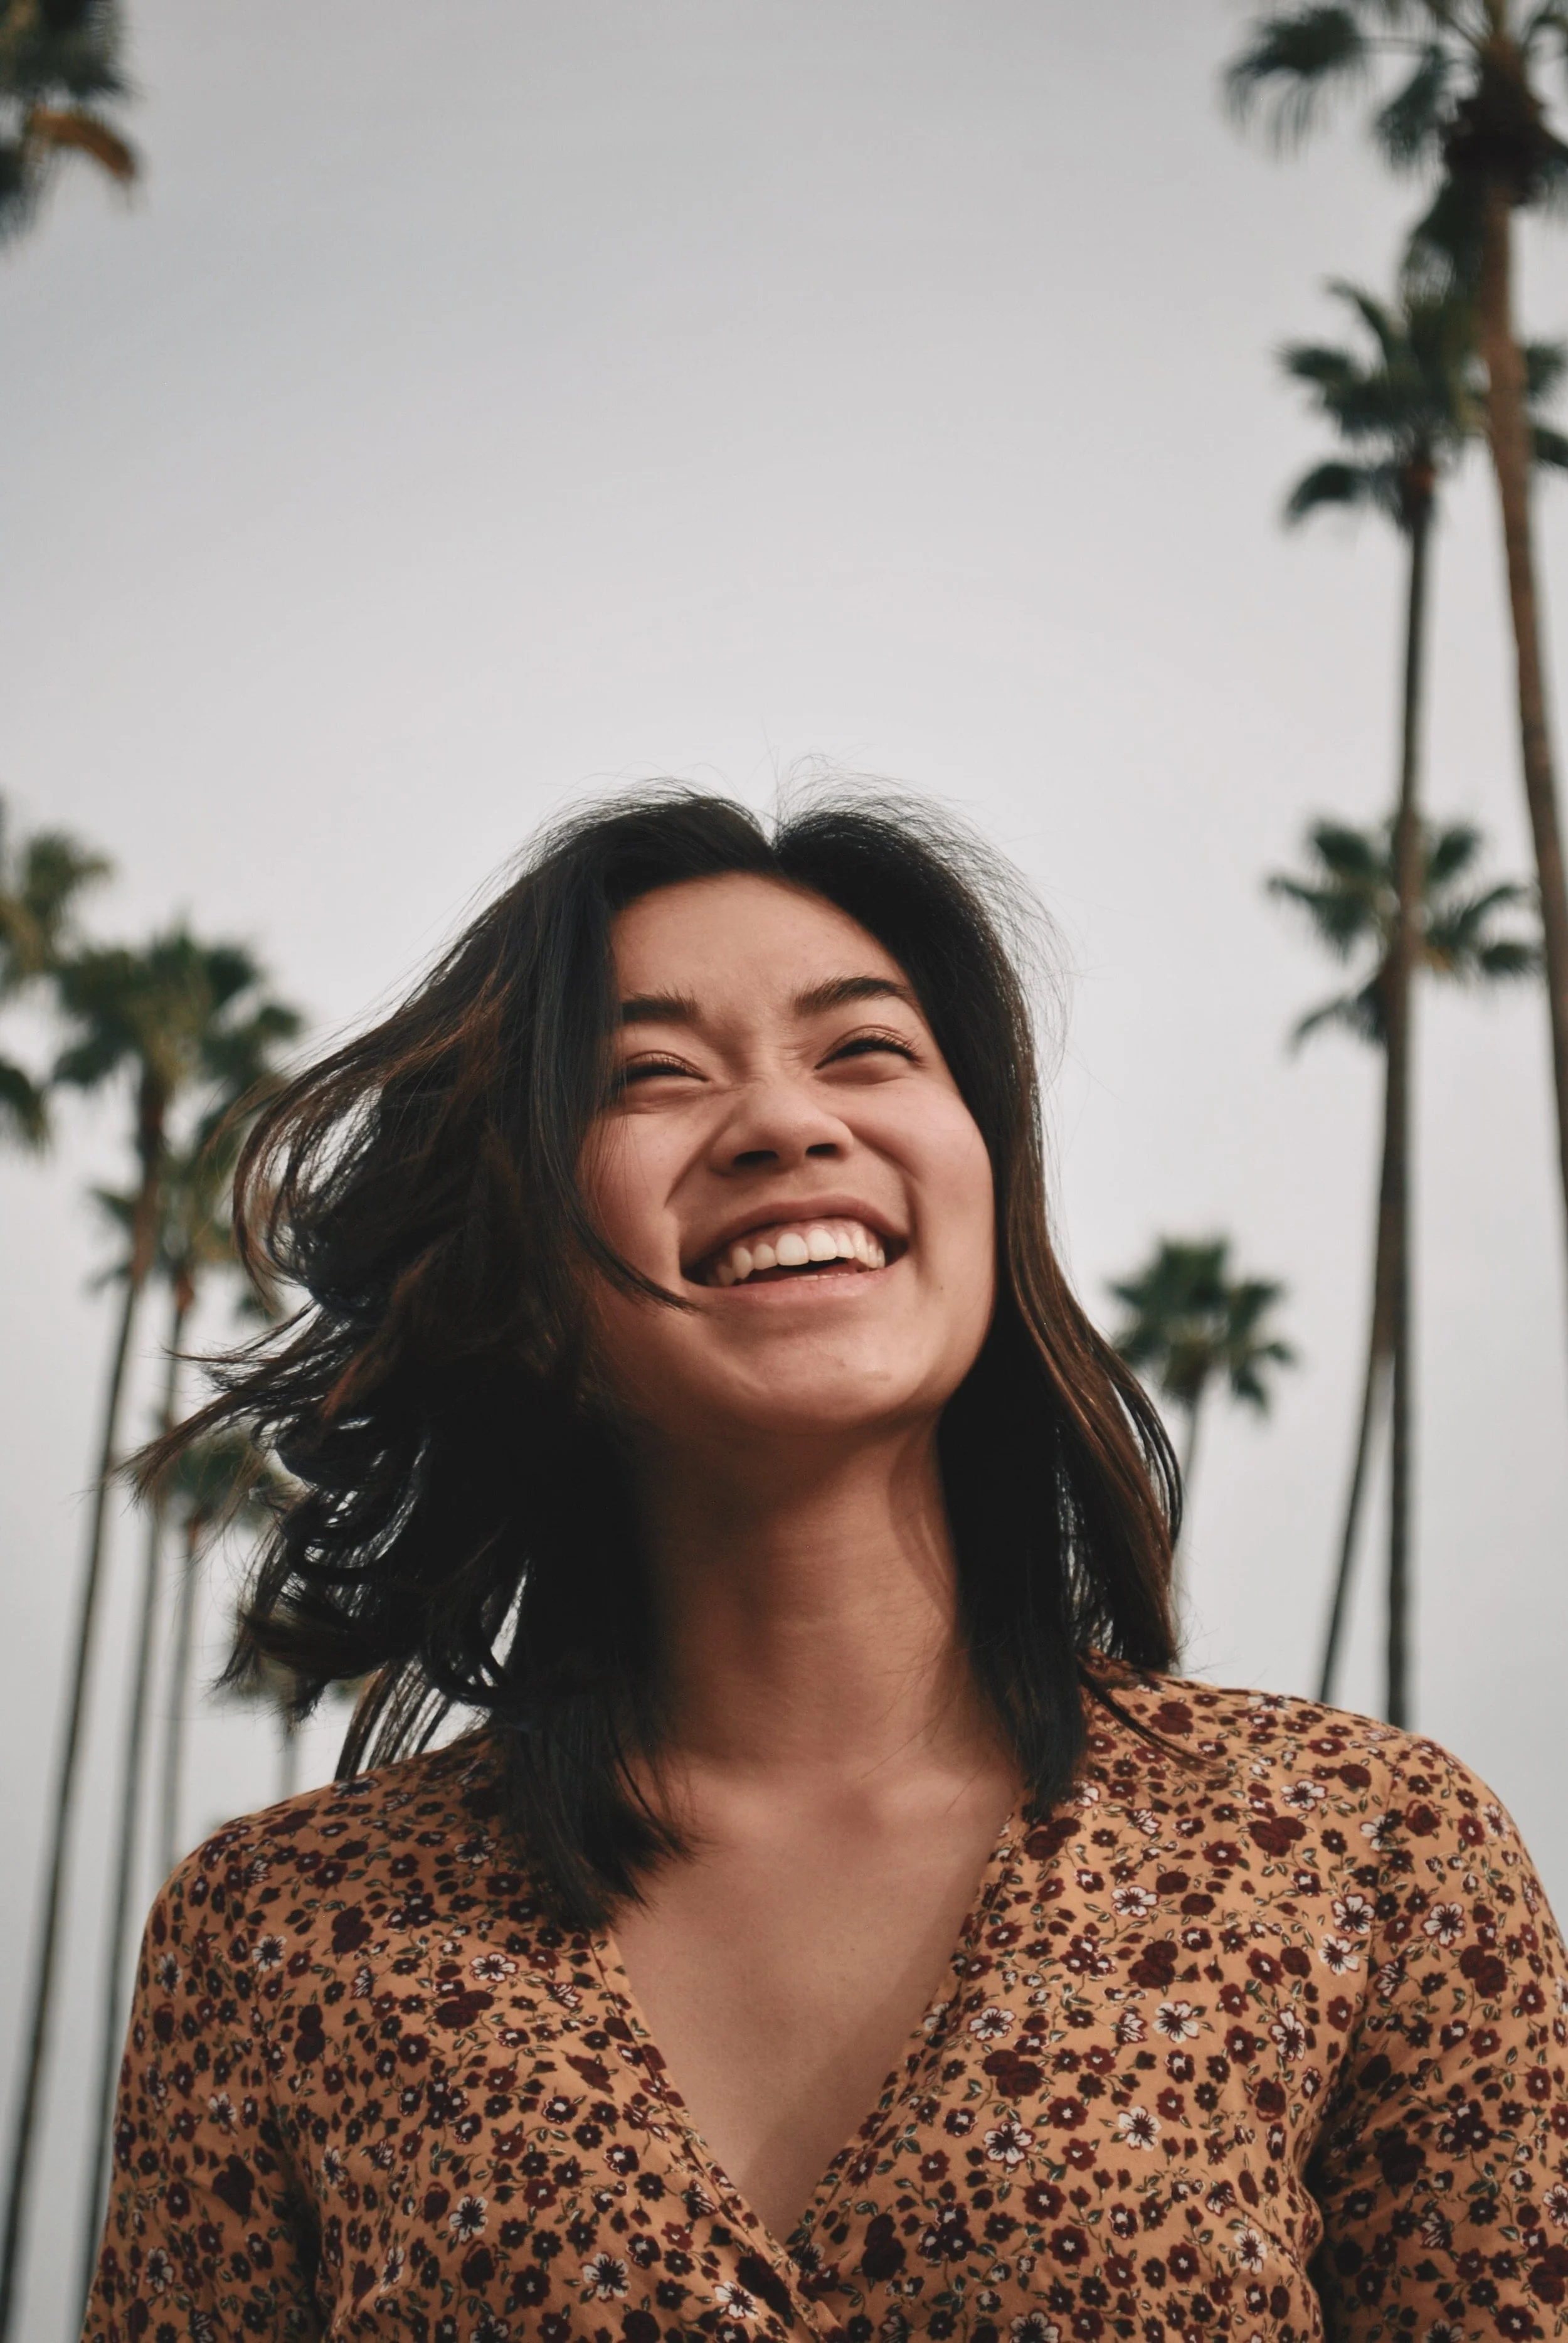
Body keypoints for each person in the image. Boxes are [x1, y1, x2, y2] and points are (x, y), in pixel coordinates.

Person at [84, 791, 1567, 2343]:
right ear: (518, 1244)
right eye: (648, 1074)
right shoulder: (282, 1940)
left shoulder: (1363, 1856)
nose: (786, 1122)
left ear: (986, 1173)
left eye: (865, 1050)